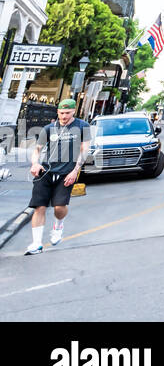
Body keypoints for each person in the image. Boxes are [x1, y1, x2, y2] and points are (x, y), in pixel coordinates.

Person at [24, 99, 91, 255]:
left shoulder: (83, 126)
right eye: (61, 113)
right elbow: (37, 150)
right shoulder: (49, 128)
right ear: (57, 112)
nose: (64, 116)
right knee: (39, 207)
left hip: (67, 173)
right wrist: (35, 163)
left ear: (74, 111)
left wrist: (75, 171)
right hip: (46, 172)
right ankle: (36, 244)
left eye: (67, 113)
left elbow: (84, 150)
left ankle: (58, 225)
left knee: (59, 207)